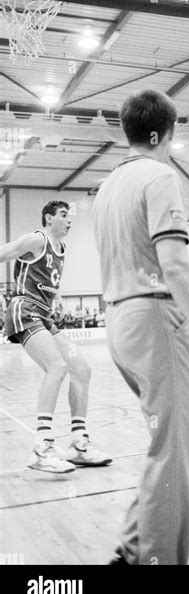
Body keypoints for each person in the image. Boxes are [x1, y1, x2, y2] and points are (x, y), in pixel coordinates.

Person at [94, 90, 189, 566]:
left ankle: (133, 553)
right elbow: (175, 265)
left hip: (119, 320)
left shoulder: (109, 186)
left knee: (169, 443)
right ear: (160, 134)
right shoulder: (158, 175)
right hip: (153, 317)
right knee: (176, 452)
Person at [1, 201, 111, 474]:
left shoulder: (63, 248)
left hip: (45, 316)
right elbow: (7, 251)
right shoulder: (37, 239)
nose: (69, 219)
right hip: (24, 309)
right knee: (57, 366)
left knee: (81, 369)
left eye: (70, 215)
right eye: (63, 215)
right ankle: (42, 446)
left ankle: (79, 443)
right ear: (49, 219)